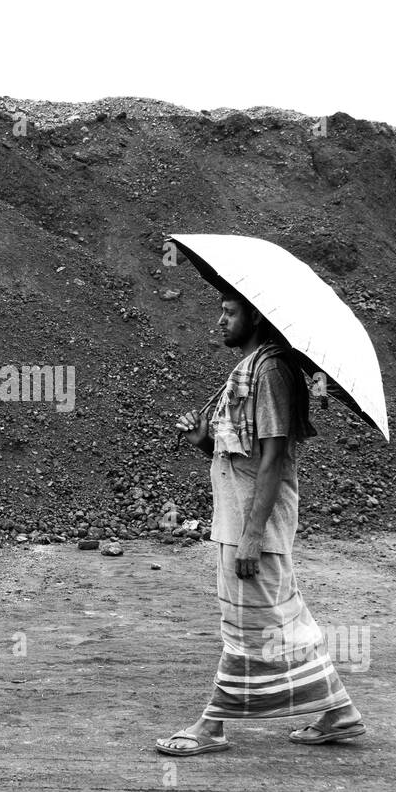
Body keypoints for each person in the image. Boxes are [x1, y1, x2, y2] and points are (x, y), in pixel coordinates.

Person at [155, 289, 365, 755]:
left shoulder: (269, 372)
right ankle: (339, 713)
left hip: (254, 526)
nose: (220, 321)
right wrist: (200, 440)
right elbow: (239, 456)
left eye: (230, 313)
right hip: (239, 520)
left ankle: (211, 727)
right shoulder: (248, 370)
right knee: (278, 619)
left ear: (255, 316)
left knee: (249, 627)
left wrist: (251, 536)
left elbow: (274, 459)